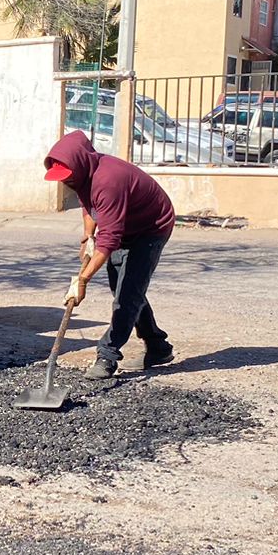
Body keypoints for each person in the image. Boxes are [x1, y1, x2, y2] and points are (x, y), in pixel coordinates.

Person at [44, 129, 176, 379]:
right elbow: (88, 204)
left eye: (66, 177)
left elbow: (110, 239)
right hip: (125, 225)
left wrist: (82, 280)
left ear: (80, 164)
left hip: (151, 228)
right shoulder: (82, 175)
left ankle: (107, 355)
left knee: (127, 294)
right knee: (124, 290)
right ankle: (158, 346)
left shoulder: (108, 180)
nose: (64, 182)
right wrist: (87, 236)